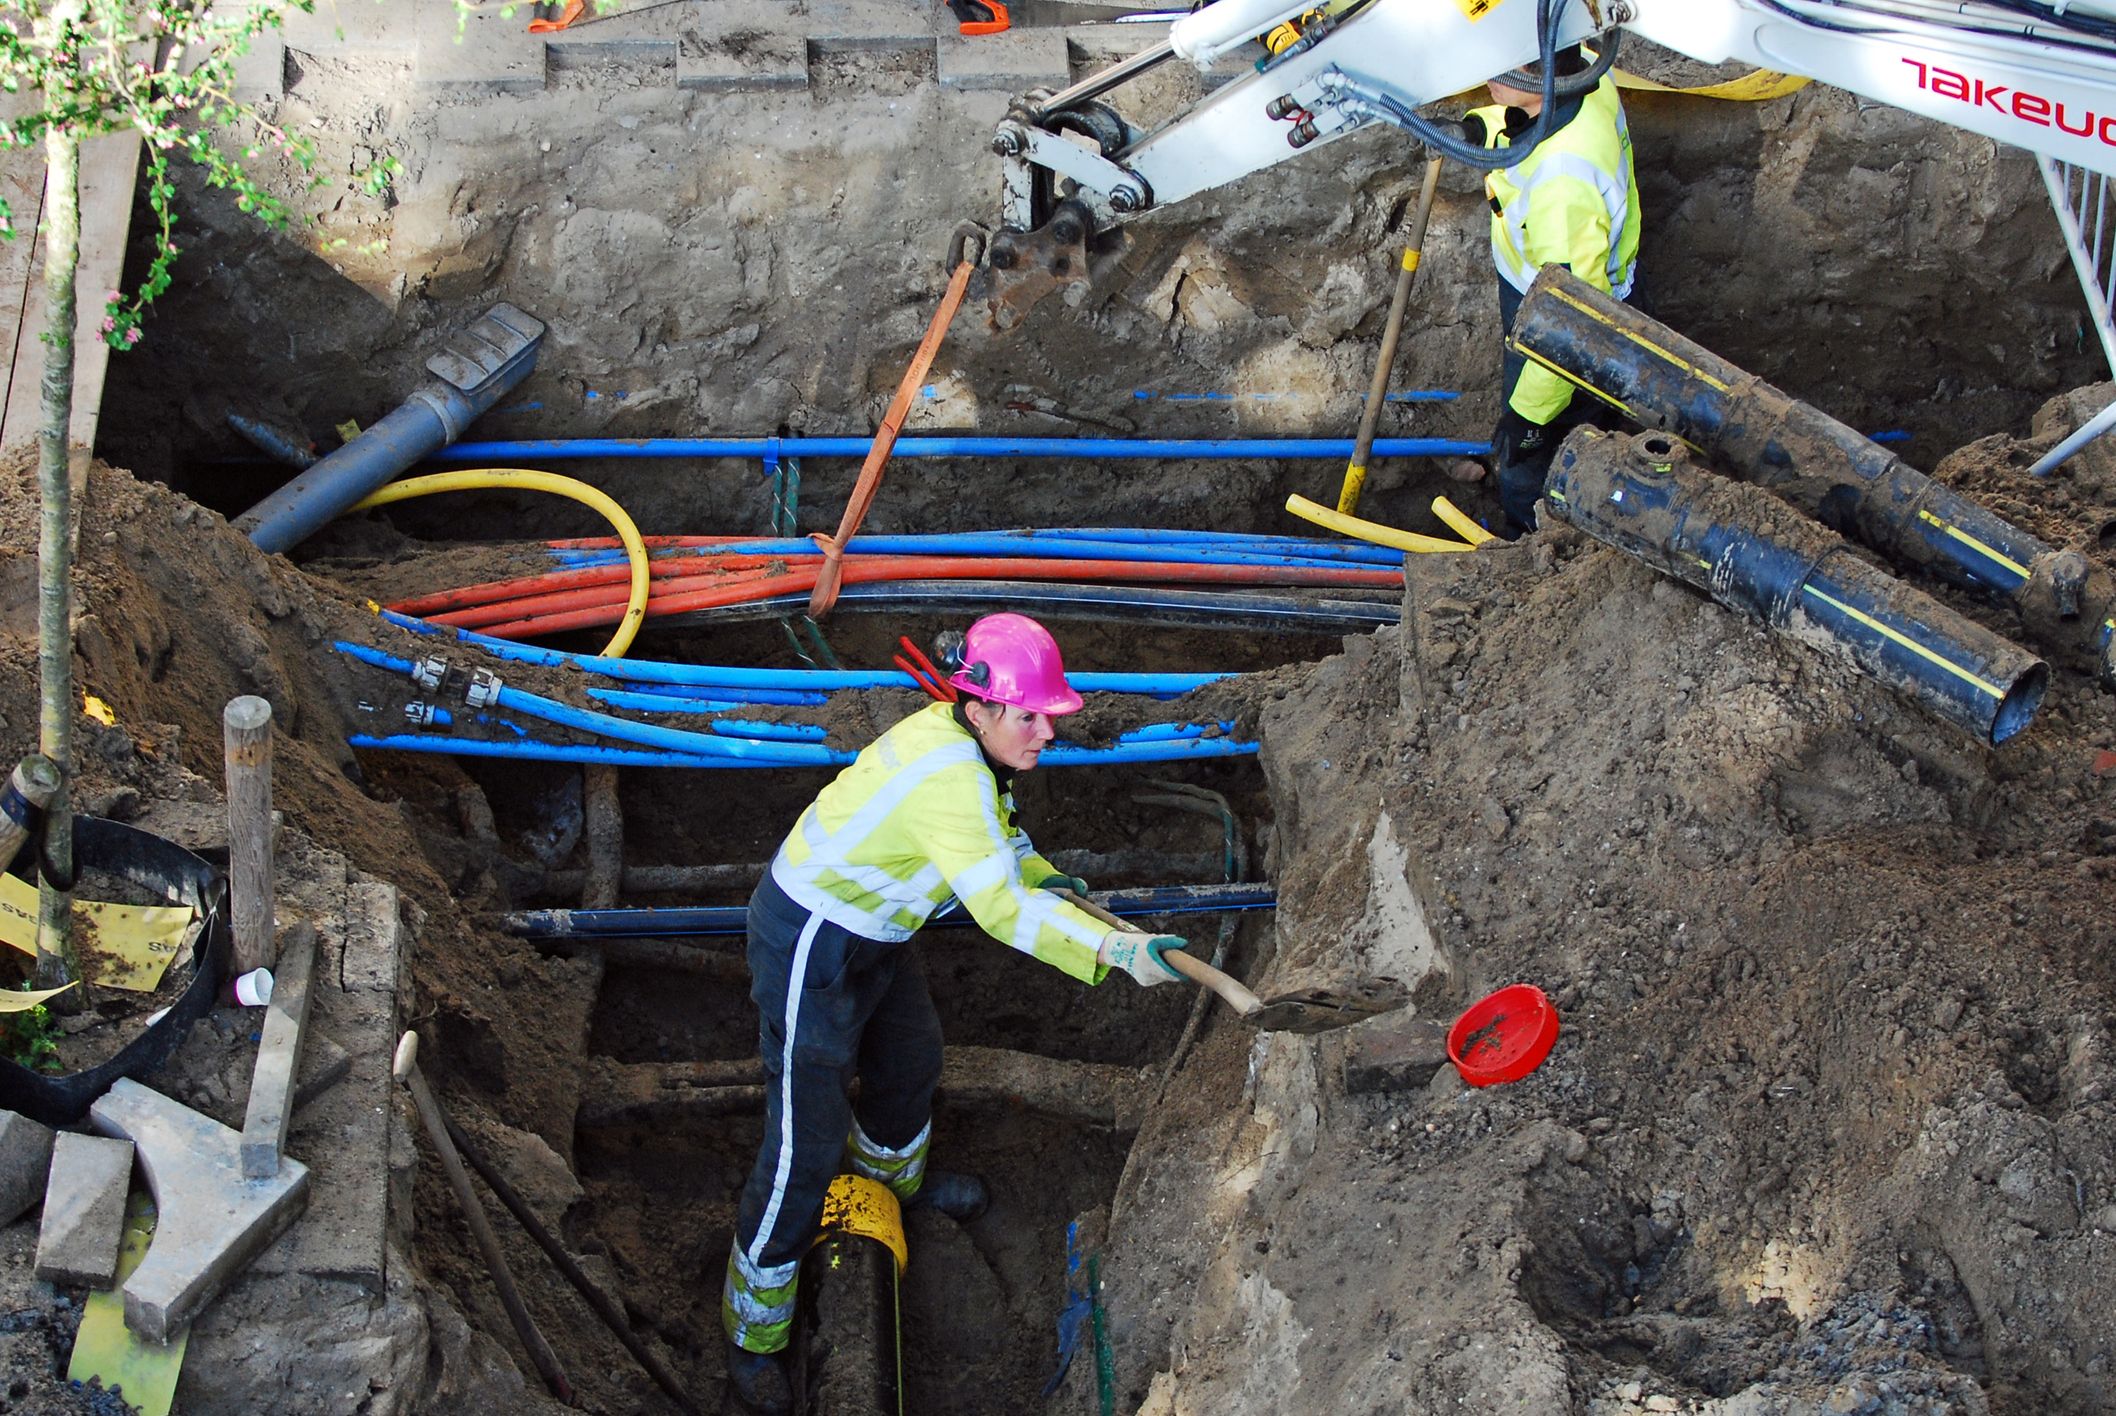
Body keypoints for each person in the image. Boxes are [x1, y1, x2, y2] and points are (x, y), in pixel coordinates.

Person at [720, 612, 1187, 1414]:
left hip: (877, 932)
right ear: (979, 708)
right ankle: (753, 1330)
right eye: (1030, 716)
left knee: (911, 1065)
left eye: (1048, 714)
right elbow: (998, 907)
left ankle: (887, 1198)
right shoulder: (949, 775)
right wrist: (1113, 951)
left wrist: (1049, 878)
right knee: (805, 1140)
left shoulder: (972, 750)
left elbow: (1003, 846)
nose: (1047, 732)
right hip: (812, 942)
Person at [1447, 45, 1642, 537]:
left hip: (1564, 320)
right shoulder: (1586, 72)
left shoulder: (1562, 186)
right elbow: (1527, 122)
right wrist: (1480, 129)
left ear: (1540, 75)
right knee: (1581, 414)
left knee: (1527, 462)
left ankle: (1531, 543)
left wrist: (1527, 419)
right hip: (1568, 281)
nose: (1484, 73)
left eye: (1501, 67)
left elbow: (1572, 330)